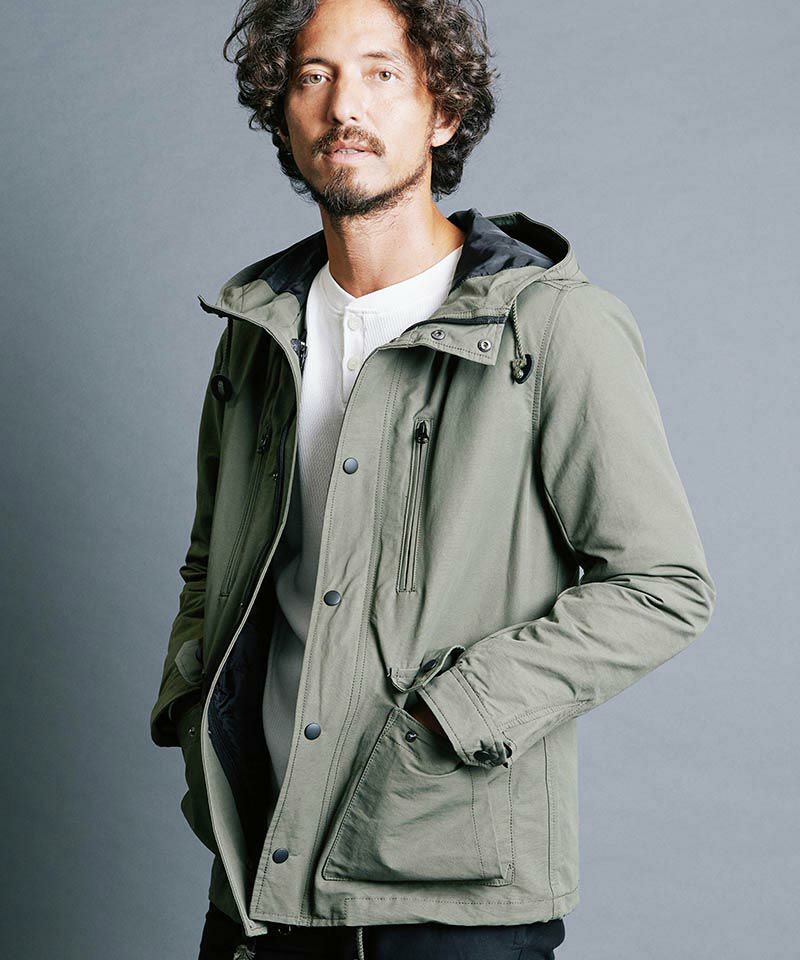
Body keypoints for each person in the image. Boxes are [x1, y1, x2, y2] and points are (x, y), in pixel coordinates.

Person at [149, 0, 716, 957]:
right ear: (283, 111)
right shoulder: (256, 333)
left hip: (446, 895)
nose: (344, 107)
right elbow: (214, 558)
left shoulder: (551, 326)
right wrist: (188, 691)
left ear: (443, 111)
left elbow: (663, 585)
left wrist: (455, 713)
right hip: (256, 879)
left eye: (382, 74)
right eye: (314, 76)